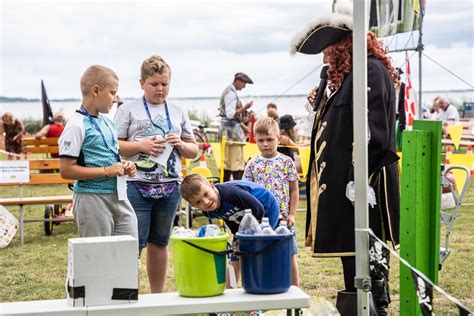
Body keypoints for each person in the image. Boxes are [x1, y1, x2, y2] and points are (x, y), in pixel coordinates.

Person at [291, 3, 400, 315]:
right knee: (353, 261)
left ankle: (373, 309)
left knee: (367, 262)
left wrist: (359, 181)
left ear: (344, 46)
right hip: (350, 190)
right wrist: (326, 98)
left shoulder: (371, 72)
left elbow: (375, 134)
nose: (327, 58)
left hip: (364, 190)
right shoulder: (352, 78)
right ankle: (361, 307)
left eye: (330, 50)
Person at [114, 55, 198, 293]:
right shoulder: (127, 110)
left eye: (165, 84)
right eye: (154, 84)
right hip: (136, 184)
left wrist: (180, 143)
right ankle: (127, 295)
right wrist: (141, 146)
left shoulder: (178, 111)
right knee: (133, 244)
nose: (160, 89)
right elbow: (115, 145)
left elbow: (193, 151)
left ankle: (157, 297)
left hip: (170, 186)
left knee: (160, 242)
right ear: (142, 83)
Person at [58, 65, 138, 242]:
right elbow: (66, 170)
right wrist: (106, 171)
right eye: (112, 93)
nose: (116, 99)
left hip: (119, 196)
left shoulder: (108, 123)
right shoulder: (76, 125)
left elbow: (112, 157)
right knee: (98, 260)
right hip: (92, 199)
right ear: (96, 90)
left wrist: (127, 166)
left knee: (129, 253)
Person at [180, 174, 280, 287]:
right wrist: (236, 239)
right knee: (235, 254)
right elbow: (230, 218)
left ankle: (259, 285)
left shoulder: (231, 193)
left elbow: (258, 209)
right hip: (245, 218)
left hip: (266, 209)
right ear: (194, 206)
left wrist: (249, 236)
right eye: (199, 202)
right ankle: (229, 291)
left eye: (206, 194)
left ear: (212, 186)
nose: (206, 202)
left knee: (255, 250)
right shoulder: (208, 211)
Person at [242, 117, 300, 285]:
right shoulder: (252, 164)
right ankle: (264, 286)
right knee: (262, 255)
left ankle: (295, 293)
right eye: (260, 140)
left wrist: (292, 214)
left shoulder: (287, 162)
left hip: (283, 220)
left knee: (289, 254)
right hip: (261, 220)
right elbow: (246, 192)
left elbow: (294, 190)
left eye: (269, 139)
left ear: (279, 139)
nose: (265, 144)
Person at [219, 72, 254, 181]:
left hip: (226, 130)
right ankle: (238, 187)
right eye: (244, 83)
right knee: (236, 163)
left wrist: (242, 124)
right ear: (238, 81)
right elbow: (230, 114)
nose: (244, 86)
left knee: (227, 162)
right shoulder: (231, 94)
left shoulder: (229, 91)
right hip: (232, 133)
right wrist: (245, 107)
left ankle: (225, 186)